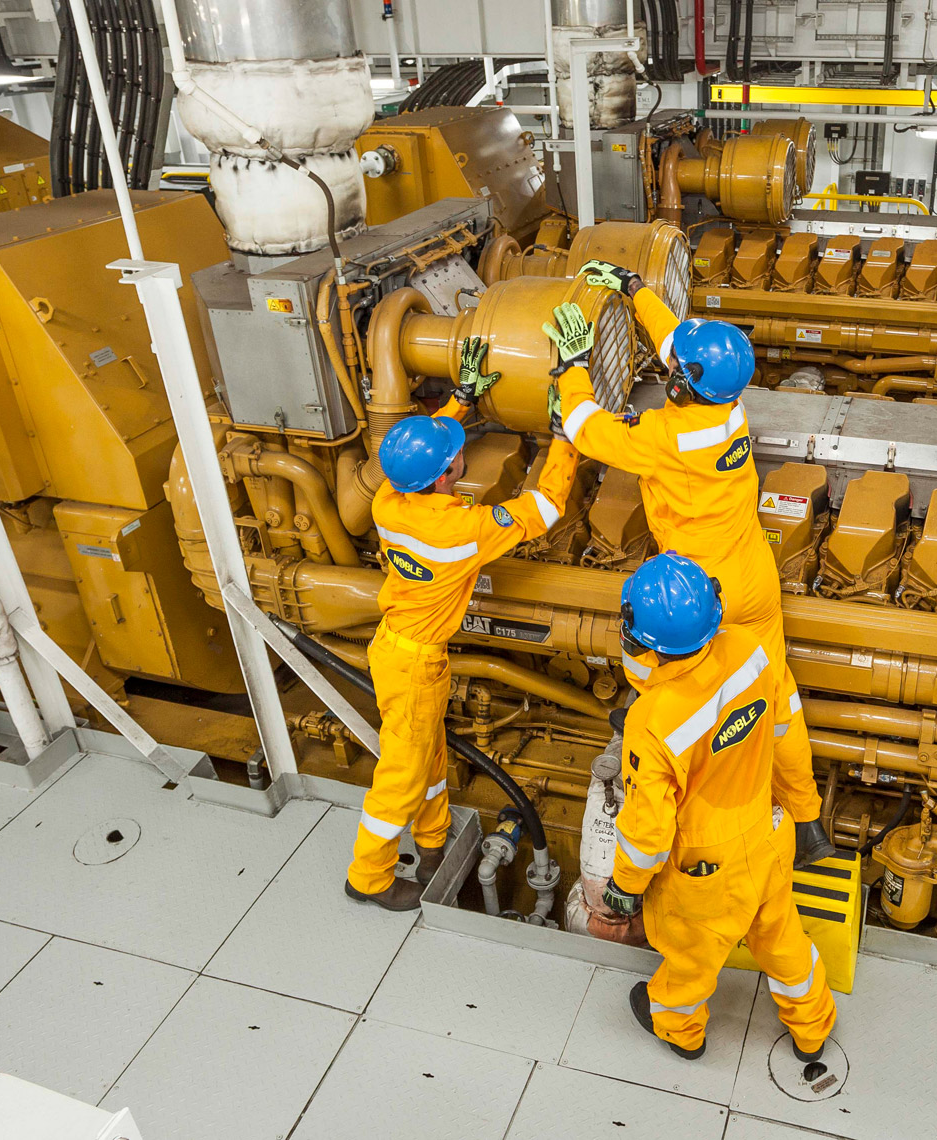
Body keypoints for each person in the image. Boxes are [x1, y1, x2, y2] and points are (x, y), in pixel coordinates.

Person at [546, 269, 832, 869]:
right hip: (753, 571)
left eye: (675, 372)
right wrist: (633, 287)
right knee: (779, 703)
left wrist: (569, 366)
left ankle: (651, 730)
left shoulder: (667, 436)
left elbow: (586, 429)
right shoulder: (728, 403)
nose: (669, 371)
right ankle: (807, 824)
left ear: (682, 384)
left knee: (672, 668)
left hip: (703, 589)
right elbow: (676, 338)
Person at [346, 338, 579, 911]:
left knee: (425, 756)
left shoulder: (388, 502)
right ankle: (367, 877)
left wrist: (460, 400)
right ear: (449, 477)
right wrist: (569, 436)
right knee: (401, 772)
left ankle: (430, 843)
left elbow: (415, 455)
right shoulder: (462, 530)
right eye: (455, 456)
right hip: (417, 660)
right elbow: (545, 508)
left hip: (394, 648)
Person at [601, 552, 839, 1061]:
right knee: (781, 937)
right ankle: (813, 1027)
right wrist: (804, 811)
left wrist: (625, 886)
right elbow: (789, 735)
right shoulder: (750, 651)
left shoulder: (653, 719)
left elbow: (648, 829)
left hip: (705, 867)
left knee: (690, 957)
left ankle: (680, 1032)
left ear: (640, 637)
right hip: (766, 829)